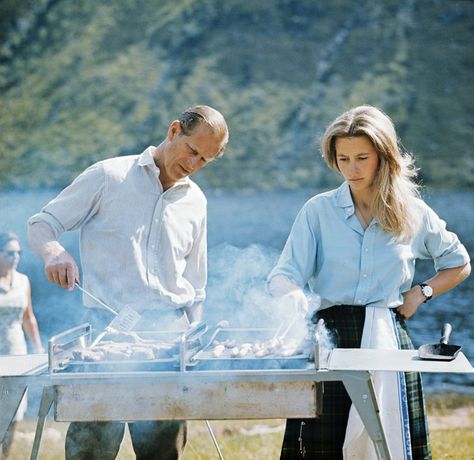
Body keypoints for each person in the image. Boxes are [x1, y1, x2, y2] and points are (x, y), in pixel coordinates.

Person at [267, 105, 471, 460]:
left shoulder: (413, 212)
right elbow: (283, 275)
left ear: (383, 156)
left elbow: (459, 264)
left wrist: (420, 293)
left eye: (362, 157)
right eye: (343, 158)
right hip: (329, 339)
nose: (352, 169)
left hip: (389, 339)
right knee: (321, 449)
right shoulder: (317, 211)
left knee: (389, 446)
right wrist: (295, 296)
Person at [27, 105, 229, 460]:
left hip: (169, 338)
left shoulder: (196, 201)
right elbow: (42, 224)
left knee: (162, 451)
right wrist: (54, 253)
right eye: (192, 150)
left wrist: (195, 338)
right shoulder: (108, 176)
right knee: (92, 448)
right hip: (107, 334)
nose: (194, 164)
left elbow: (196, 285)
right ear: (174, 130)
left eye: (205, 160)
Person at [0, 231, 43, 459]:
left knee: (14, 410)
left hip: (17, 352)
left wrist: (37, 348)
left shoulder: (23, 280)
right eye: (9, 253)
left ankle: (6, 456)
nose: (15, 257)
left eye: (18, 252)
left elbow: (28, 317)